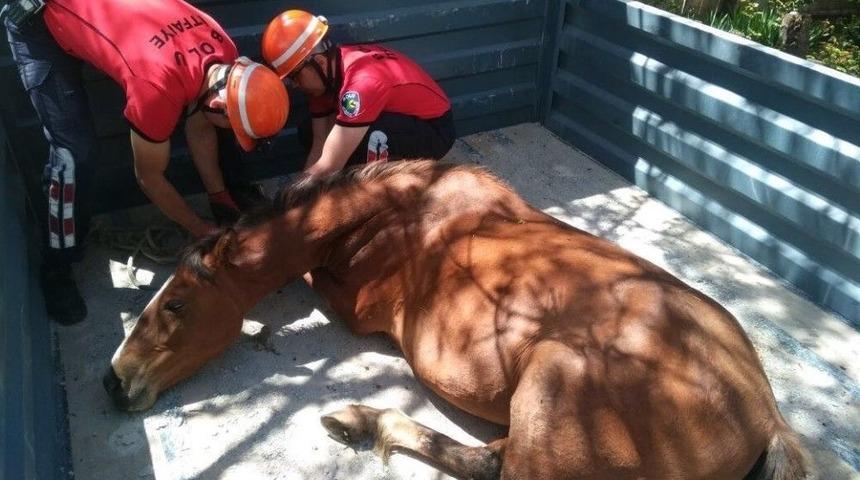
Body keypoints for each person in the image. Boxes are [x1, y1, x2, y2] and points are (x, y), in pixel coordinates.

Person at [3, 0, 289, 324]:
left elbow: (202, 125)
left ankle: (227, 195)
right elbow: (149, 177)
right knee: (73, 155)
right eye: (233, 126)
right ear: (218, 100)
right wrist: (199, 229)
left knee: (214, 128)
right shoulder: (155, 87)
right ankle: (57, 264)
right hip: (40, 17)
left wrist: (219, 198)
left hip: (107, 20)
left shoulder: (224, 49)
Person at [261, 10, 456, 180]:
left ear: (319, 62)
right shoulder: (326, 74)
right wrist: (299, 194)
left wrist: (290, 207)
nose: (294, 86)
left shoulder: (361, 84)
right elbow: (319, 143)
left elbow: (329, 165)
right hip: (399, 119)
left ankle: (387, 192)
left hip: (435, 131)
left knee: (360, 144)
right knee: (308, 132)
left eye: (295, 77)